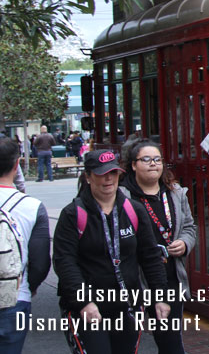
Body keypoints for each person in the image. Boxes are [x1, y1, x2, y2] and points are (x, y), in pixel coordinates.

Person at [53, 150, 170, 354]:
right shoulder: (72, 215)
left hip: (127, 307)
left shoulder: (134, 210)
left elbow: (150, 256)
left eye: (113, 173)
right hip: (88, 309)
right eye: (101, 174)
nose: (108, 179)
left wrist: (160, 296)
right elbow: (64, 262)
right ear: (88, 177)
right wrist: (84, 302)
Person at [123, 139, 197, 354]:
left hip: (170, 277)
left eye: (157, 159)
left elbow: (190, 227)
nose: (153, 164)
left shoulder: (175, 193)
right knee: (127, 340)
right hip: (136, 279)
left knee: (170, 342)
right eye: (146, 159)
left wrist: (184, 243)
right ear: (134, 165)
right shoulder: (123, 197)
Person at [0, 137, 50, 353]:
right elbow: (40, 262)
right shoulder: (32, 206)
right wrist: (30, 287)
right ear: (16, 164)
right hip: (15, 296)